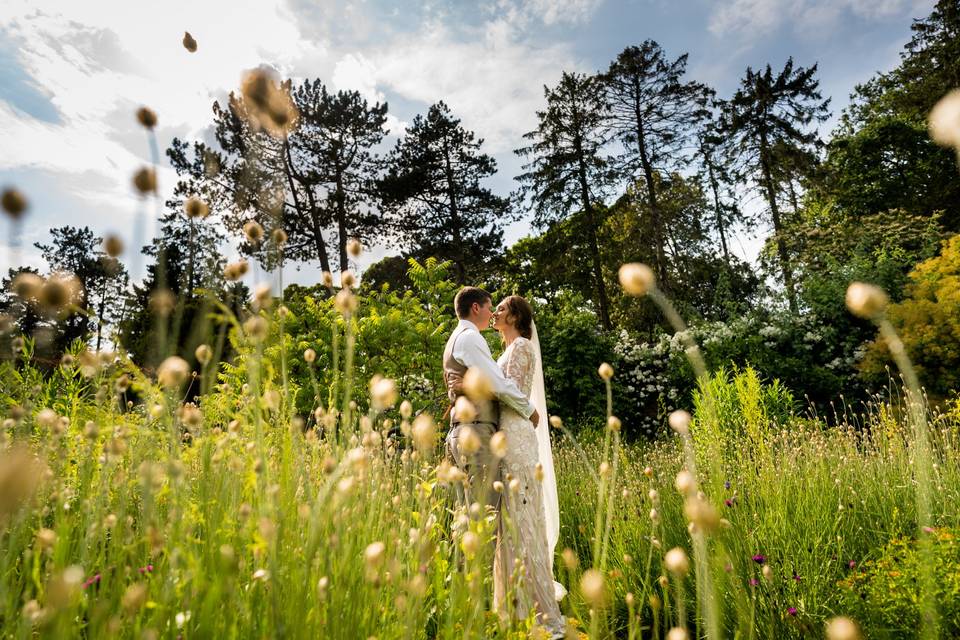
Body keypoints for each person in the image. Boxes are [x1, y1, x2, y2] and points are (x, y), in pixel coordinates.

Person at [490, 295, 567, 638]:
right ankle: (515, 606)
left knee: (523, 522)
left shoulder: (521, 346)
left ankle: (541, 612)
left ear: (516, 315)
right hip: (505, 435)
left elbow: (515, 391)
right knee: (509, 523)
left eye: (502, 309)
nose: (495, 313)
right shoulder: (506, 350)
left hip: (517, 437)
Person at [442, 287, 540, 512]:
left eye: (500, 309)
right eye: (490, 307)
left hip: (470, 431)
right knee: (484, 519)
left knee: (472, 517)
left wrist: (467, 386)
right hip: (476, 433)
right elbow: (498, 384)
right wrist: (530, 410)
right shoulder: (470, 338)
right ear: (476, 308)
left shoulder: (459, 337)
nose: (493, 313)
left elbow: (487, 382)